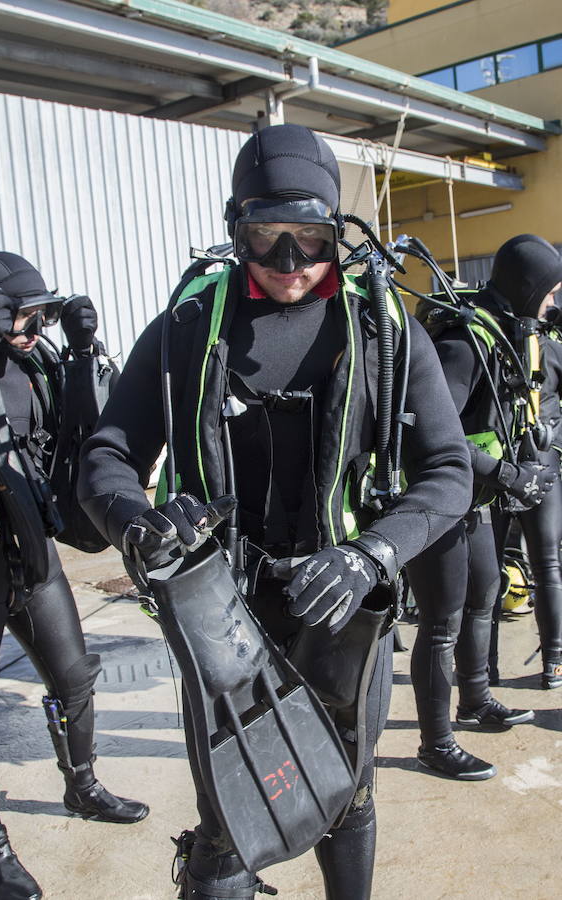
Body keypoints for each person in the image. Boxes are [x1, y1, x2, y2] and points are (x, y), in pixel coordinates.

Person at [78, 123, 472, 900]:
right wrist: (132, 519)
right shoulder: (188, 331)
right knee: (233, 804)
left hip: (345, 600)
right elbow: (106, 457)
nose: (290, 264)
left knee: (349, 792)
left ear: (339, 230)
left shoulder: (383, 329)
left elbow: (450, 471)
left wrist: (375, 554)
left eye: (311, 238)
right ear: (237, 230)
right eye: (267, 238)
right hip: (221, 607)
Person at [0, 252, 149, 900]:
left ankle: (83, 786)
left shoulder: (34, 363)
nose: (32, 324)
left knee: (75, 680)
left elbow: (76, 436)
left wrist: (80, 352)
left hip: (35, 558)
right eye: (23, 312)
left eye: (41, 312)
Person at [407, 233, 561, 781]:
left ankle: (474, 700)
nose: (552, 305)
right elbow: (437, 430)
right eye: (549, 293)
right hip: (438, 497)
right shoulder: (464, 342)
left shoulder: (500, 333)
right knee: (441, 619)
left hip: (473, 499)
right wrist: (508, 475)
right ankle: (436, 742)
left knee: (485, 595)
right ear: (527, 287)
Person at [492, 238, 562, 689]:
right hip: (511, 472)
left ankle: (488, 674)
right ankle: (551, 661)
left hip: (521, 469)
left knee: (529, 567)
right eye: (551, 292)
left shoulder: (491, 338)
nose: (554, 301)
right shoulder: (488, 341)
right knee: (545, 564)